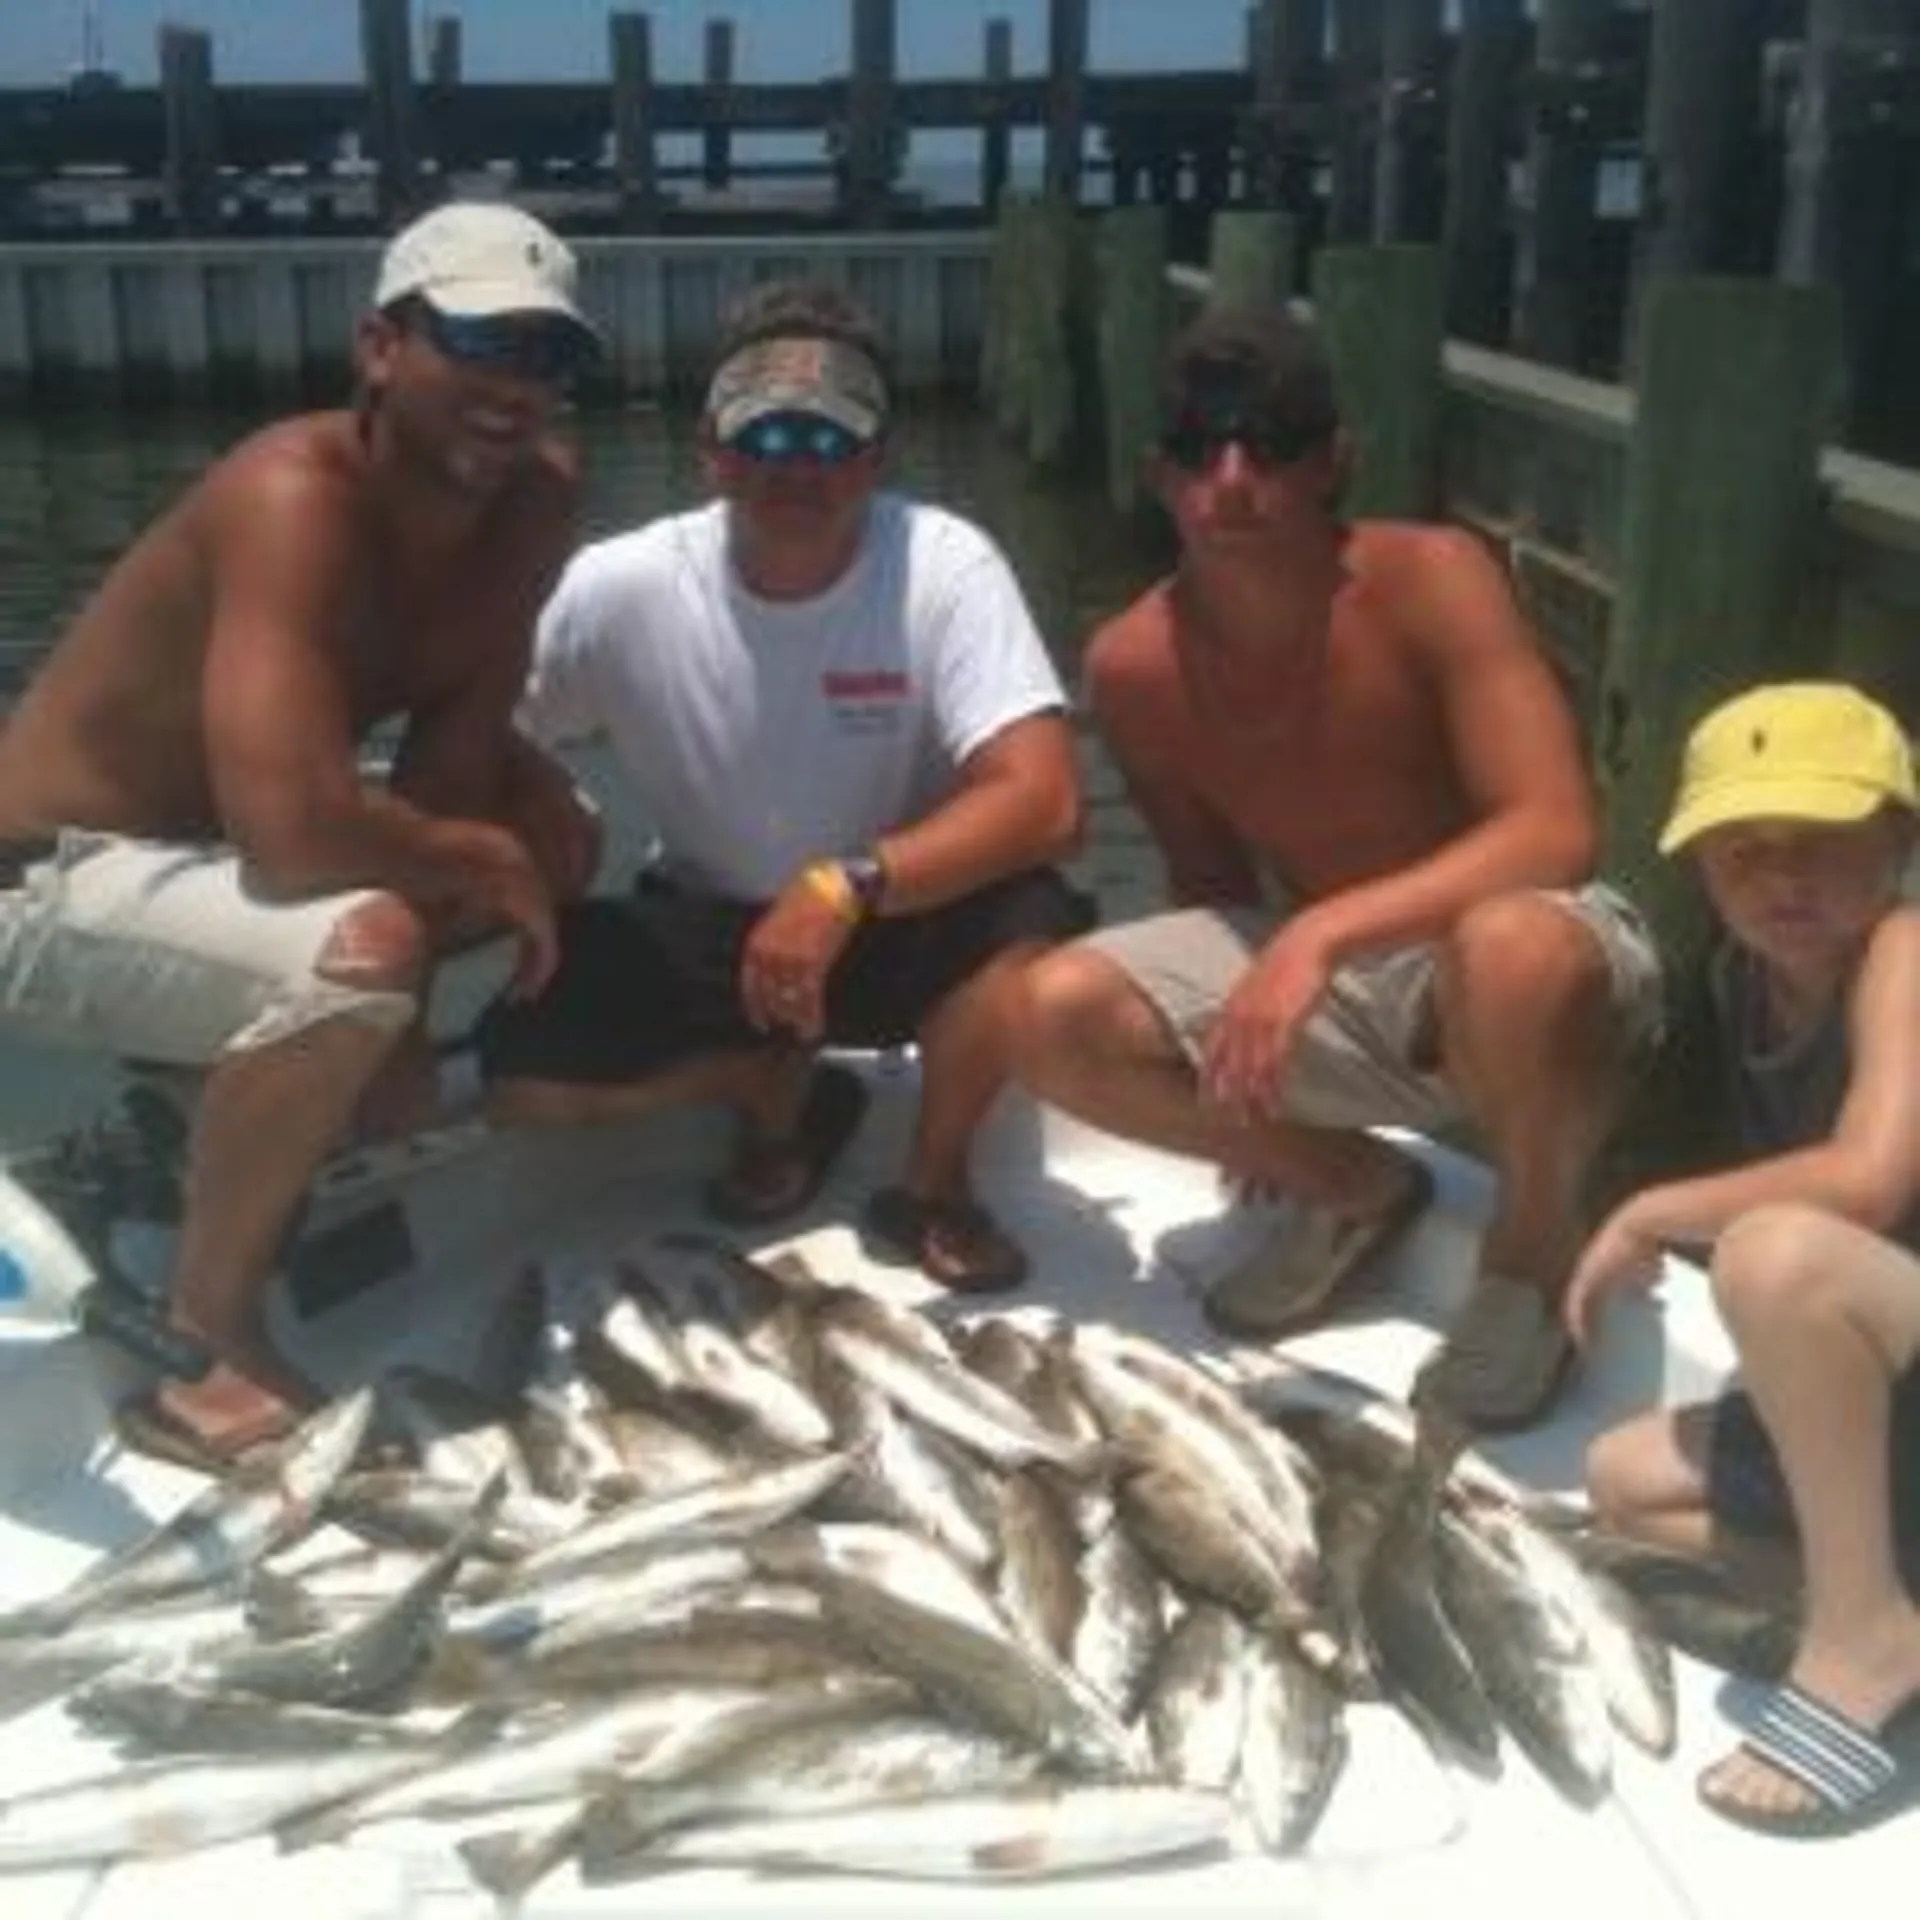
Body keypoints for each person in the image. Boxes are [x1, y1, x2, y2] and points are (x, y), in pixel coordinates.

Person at [0, 199, 605, 1464]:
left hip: (197, 867)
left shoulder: (539, 506)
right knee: (377, 933)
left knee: (558, 830)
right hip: (39, 879)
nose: (516, 387)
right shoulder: (289, 491)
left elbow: (453, 753)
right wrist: (465, 873)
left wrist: (464, 905)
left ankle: (214, 1107)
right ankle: (206, 1345)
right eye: (480, 342)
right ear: (381, 346)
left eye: (546, 357)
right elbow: (288, 836)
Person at [1013, 302, 1662, 1432]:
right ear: (1157, 473)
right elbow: (1206, 889)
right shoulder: (1130, 664)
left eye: (1270, 444)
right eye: (1197, 450)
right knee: (1049, 1012)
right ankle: (1353, 1186)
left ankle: (1527, 1257)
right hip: (1366, 994)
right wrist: (1253, 1108)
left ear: (1334, 462)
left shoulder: (1433, 577)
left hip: (1543, 960)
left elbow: (1556, 827)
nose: (1231, 479)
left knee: (1505, 945)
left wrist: (1316, 934)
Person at [472, 279, 1089, 1292]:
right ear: (709, 451)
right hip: (714, 925)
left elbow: (1047, 800)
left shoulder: (944, 562)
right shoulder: (619, 583)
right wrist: (527, 810)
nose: (789, 471)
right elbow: (478, 737)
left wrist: (845, 884)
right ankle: (767, 1087)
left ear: (879, 457)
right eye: (760, 442)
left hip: (901, 917)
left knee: (1031, 925)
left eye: (824, 443)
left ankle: (935, 1182)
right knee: (518, 1075)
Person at [1568, 681, 1920, 1838]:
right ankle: (1886, 1606)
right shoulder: (1742, 984)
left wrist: (1649, 1212)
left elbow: (1868, 1180)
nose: (1780, 880)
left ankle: (1862, 1640)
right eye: (1741, 852)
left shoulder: (1909, 953)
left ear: (1899, 843)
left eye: (1821, 844)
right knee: (1622, 1484)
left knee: (1775, 1259)